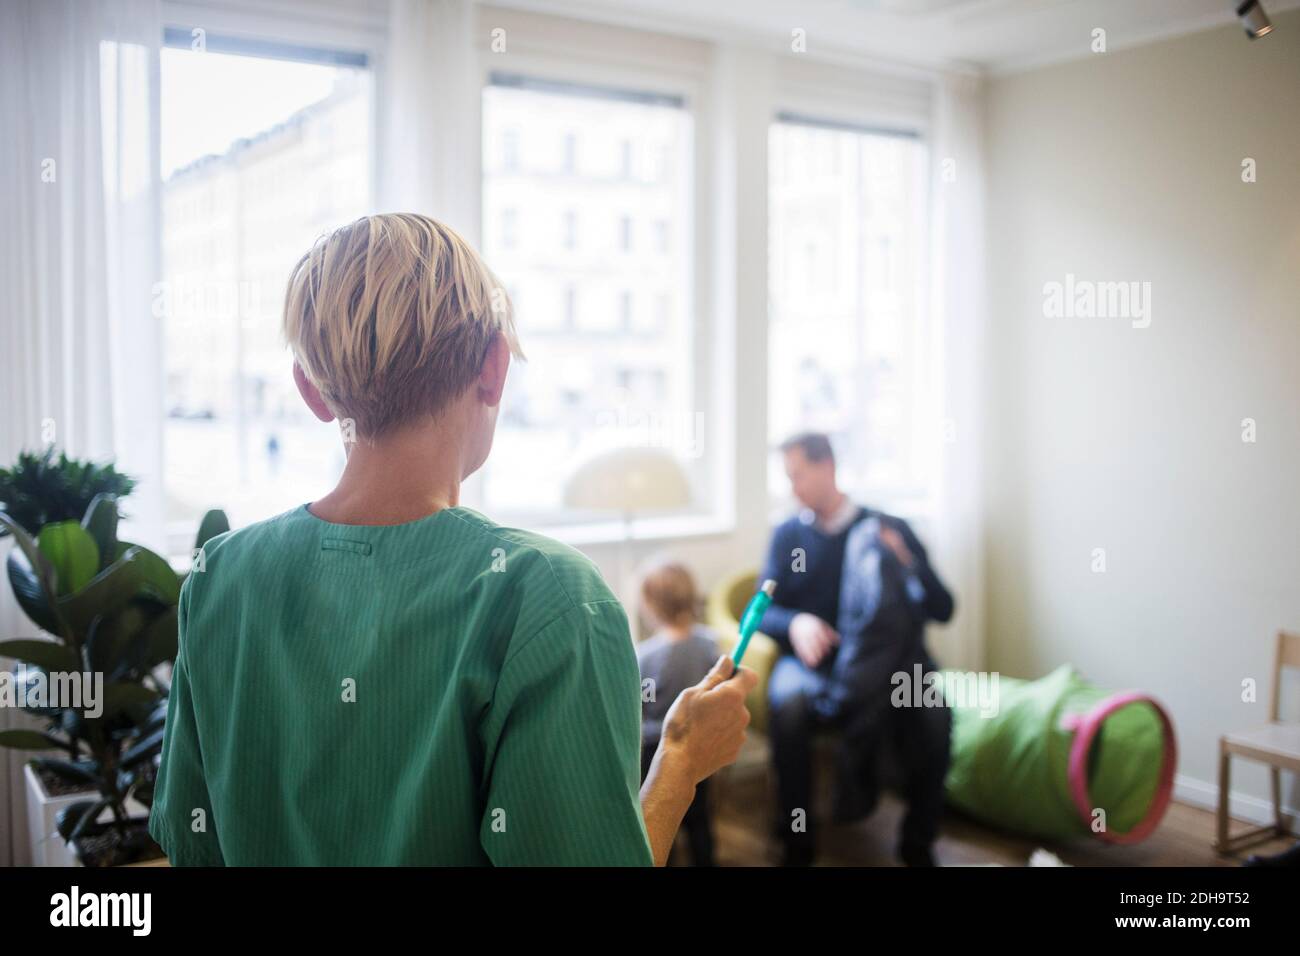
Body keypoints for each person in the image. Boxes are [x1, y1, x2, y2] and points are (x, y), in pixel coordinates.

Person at [148, 213, 756, 866]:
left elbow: (193, 843)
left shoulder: (219, 576)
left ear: (311, 393)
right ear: (493, 367)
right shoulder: (548, 597)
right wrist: (678, 768)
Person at [759, 432, 954, 867]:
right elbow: (761, 611)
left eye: (797, 476)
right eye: (787, 478)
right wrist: (796, 622)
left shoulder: (887, 528)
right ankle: (798, 843)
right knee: (788, 707)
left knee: (934, 716)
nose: (792, 489)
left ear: (827, 466)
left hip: (884, 667)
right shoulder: (788, 535)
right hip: (813, 664)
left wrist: (908, 563)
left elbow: (944, 608)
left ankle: (917, 845)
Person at [635, 559, 721, 865]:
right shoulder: (708, 643)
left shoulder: (642, 656)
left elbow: (636, 711)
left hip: (652, 751)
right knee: (699, 818)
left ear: (649, 605)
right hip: (697, 746)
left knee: (663, 817)